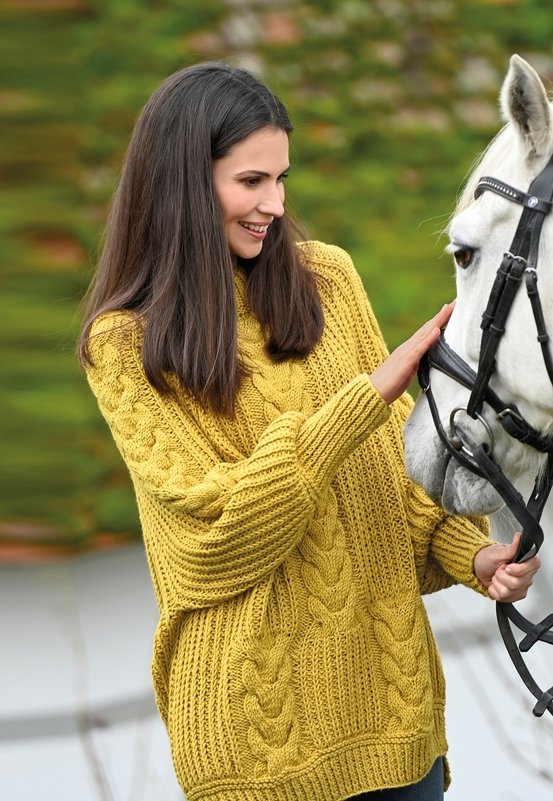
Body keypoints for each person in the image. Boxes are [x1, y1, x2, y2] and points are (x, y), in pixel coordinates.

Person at [78, 62, 540, 801]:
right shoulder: (124, 344)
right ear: (182, 182)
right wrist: (363, 398)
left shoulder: (326, 278)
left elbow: (393, 479)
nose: (273, 203)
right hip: (257, 752)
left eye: (280, 179)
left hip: (395, 722)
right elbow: (217, 539)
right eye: (250, 181)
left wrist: (474, 557)